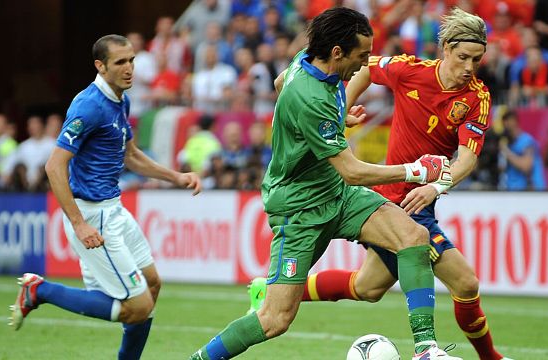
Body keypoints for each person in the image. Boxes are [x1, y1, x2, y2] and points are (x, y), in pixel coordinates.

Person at [188, 7, 457, 360]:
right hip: (299, 208)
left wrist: (334, 119)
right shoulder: (311, 97)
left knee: (413, 237)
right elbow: (353, 171)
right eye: (360, 56)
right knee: (274, 319)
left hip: (337, 194)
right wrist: (418, 171)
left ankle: (426, 350)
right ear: (337, 53)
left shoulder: (305, 60)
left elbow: (279, 82)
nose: (363, 65)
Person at [248, 7, 512, 360]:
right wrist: (340, 110)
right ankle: (454, 354)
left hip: (423, 199)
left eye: (476, 60)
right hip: (392, 197)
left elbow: (466, 159)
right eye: (463, 56)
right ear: (446, 48)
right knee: (465, 283)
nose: (469, 67)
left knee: (367, 287)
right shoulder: (410, 70)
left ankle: (269, 290)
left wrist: (435, 187)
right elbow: (366, 70)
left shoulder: (476, 97)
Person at [8, 34, 202, 360]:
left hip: (113, 209)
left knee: (152, 285)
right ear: (101, 66)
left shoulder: (120, 99)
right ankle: (39, 290)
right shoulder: (89, 106)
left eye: (132, 60)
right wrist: (78, 224)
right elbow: (54, 166)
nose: (130, 69)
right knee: (137, 306)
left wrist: (175, 176)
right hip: (92, 216)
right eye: (120, 62)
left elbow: (130, 155)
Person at [498, 110, 547, 190]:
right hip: (513, 190)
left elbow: (526, 167)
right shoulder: (509, 143)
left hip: (530, 191)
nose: (505, 127)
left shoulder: (526, 141)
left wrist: (506, 151)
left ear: (514, 121)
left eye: (507, 123)